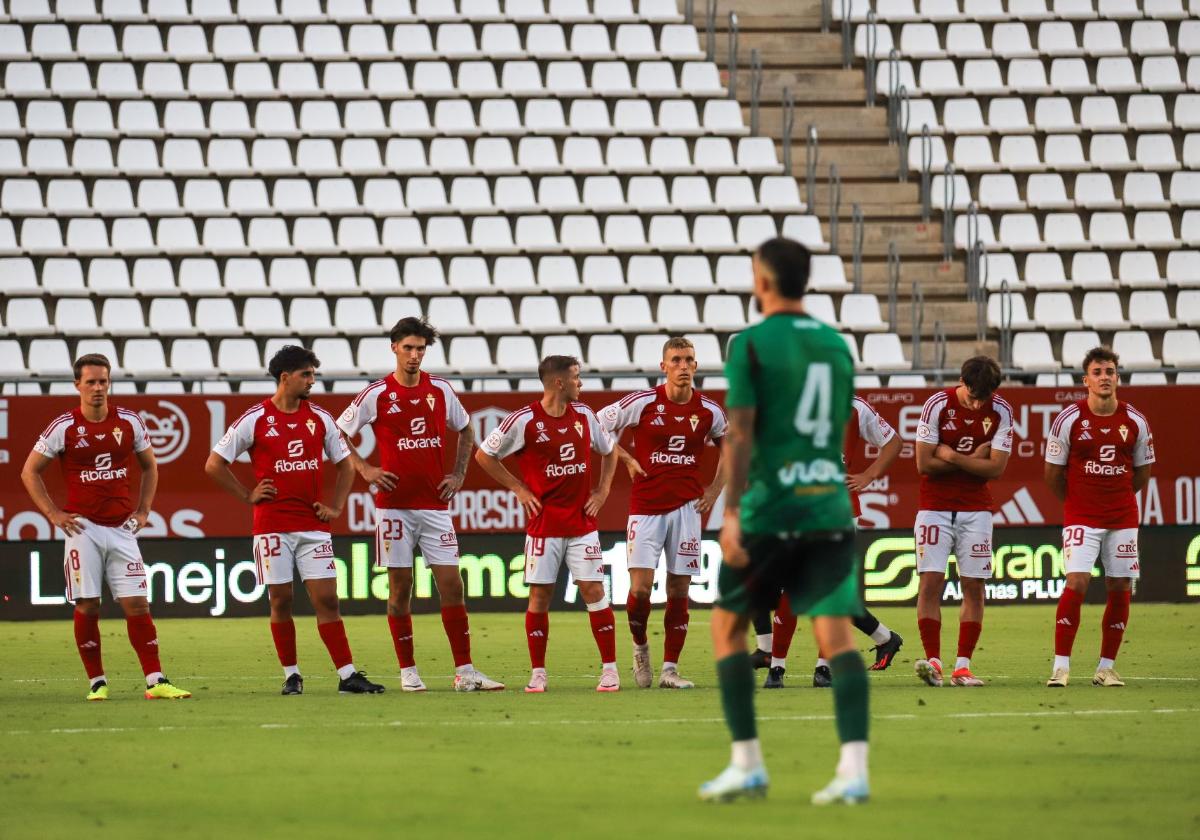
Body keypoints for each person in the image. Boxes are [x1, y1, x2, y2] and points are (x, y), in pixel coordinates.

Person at [699, 238, 871, 805]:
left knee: (727, 628)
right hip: (829, 505)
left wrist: (730, 513)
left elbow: (741, 431)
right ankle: (853, 771)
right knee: (837, 636)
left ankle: (747, 763)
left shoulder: (750, 345)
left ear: (763, 281)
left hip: (772, 508)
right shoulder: (835, 345)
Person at [337, 317, 503, 692]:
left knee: (452, 585)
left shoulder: (440, 390)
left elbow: (466, 429)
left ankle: (466, 671)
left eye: (421, 349)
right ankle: (408, 671)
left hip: (434, 507)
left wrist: (459, 474)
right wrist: (365, 468)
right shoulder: (377, 393)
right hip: (393, 507)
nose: (414, 355)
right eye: (408, 347)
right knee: (400, 588)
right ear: (394, 347)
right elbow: (338, 431)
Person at [205, 345, 382, 695]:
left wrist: (335, 506)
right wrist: (247, 495)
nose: (312, 381)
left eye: (313, 374)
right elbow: (213, 463)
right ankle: (291, 675)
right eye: (306, 374)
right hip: (272, 527)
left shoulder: (320, 418)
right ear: (285, 378)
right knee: (280, 600)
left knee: (327, 600)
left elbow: (345, 465)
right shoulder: (254, 419)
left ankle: (348, 675)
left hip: (313, 527)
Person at [20, 354, 190, 701]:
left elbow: (151, 467)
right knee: (88, 604)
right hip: (83, 530)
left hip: (122, 529)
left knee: (138, 605)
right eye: (91, 382)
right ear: (77, 385)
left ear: (109, 383)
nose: (98, 388)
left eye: (103, 381)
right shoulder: (64, 426)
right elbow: (29, 471)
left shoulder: (128, 422)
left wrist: (143, 511)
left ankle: (155, 681)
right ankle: (97, 682)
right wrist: (53, 513)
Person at [475, 355, 620, 693]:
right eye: (576, 377)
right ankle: (538, 672)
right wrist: (518, 487)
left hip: (582, 525)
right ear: (559, 382)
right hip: (544, 526)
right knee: (540, 596)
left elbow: (610, 451)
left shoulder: (585, 415)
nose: (580, 383)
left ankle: (610, 670)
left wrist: (603, 490)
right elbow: (485, 455)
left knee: (594, 591)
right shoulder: (524, 420)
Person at [599, 336, 727, 690]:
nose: (683, 366)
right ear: (664, 366)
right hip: (645, 508)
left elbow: (731, 448)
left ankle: (670, 669)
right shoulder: (642, 403)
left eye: (689, 360)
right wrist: (624, 457)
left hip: (687, 509)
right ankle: (640, 648)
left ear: (696, 366)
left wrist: (715, 490)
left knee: (679, 589)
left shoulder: (709, 411)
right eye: (676, 360)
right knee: (639, 591)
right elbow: (596, 425)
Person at [763, 395, 905, 689]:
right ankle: (777, 667)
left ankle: (823, 668)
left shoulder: (854, 406)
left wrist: (870, 474)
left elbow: (893, 442)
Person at [1044, 347, 1153, 688]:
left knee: (1120, 586)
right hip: (1081, 516)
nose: (1104, 377)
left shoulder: (1135, 420)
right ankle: (1061, 667)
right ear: (1085, 380)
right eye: (1097, 372)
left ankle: (1106, 667)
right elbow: (1052, 473)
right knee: (1076, 582)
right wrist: (1077, 503)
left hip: (1122, 516)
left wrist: (1114, 499)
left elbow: (1142, 473)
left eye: (1110, 371)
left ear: (1117, 377)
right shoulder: (1069, 419)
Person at [912, 356, 1013, 688]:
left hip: (976, 510)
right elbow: (924, 464)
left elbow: (996, 470)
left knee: (974, 586)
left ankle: (963, 667)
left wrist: (953, 456)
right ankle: (935, 662)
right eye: (973, 395)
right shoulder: (936, 405)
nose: (978, 403)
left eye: (984, 397)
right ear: (961, 381)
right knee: (930, 584)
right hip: (934, 508)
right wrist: (974, 460)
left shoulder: (1001, 412)